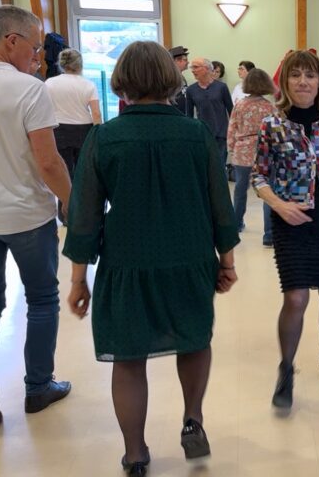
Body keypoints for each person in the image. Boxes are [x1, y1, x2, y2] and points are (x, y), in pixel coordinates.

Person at [63, 41, 239, 475]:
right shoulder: (196, 135)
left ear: (122, 82)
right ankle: (192, 418)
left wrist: (78, 278)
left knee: (128, 357)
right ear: (170, 79)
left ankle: (136, 453)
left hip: (127, 262)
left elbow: (83, 215)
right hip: (189, 255)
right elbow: (221, 204)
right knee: (194, 338)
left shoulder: (104, 138)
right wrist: (227, 261)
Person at [251, 50, 319, 409]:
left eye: (309, 75)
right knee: (295, 297)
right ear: (285, 82)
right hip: (291, 218)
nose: (302, 81)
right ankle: (286, 368)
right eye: (295, 75)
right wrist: (278, 205)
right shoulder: (273, 124)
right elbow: (258, 175)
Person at [0, 5, 74, 427]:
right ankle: (38, 387)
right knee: (41, 300)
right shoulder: (28, 88)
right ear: (11, 41)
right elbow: (48, 163)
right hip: (27, 214)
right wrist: (72, 203)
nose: (38, 55)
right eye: (35, 45)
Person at [46, 48, 101, 220]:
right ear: (80, 64)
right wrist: (98, 134)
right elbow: (96, 114)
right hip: (83, 130)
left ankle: (65, 215)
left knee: (64, 172)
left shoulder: (49, 83)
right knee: (83, 173)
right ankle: (84, 213)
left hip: (58, 129)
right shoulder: (88, 85)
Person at [227, 68, 276, 238]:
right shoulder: (269, 107)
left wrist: (232, 150)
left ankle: (236, 224)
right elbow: (276, 133)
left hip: (242, 151)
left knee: (240, 189)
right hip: (264, 152)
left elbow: (231, 129)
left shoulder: (240, 105)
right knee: (267, 190)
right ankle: (269, 234)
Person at [186, 57, 232, 168]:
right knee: (205, 167)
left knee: (219, 167)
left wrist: (233, 132)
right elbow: (189, 115)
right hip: (202, 134)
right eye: (192, 67)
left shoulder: (221, 87)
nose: (192, 70)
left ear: (206, 68)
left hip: (221, 134)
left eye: (195, 67)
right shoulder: (191, 90)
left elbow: (231, 110)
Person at [168, 46, 191, 115]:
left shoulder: (181, 77)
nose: (188, 62)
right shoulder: (169, 78)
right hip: (173, 115)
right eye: (185, 60)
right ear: (176, 61)